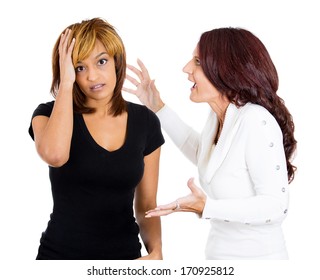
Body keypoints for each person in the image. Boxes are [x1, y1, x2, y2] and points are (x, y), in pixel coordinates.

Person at [124, 27, 297, 260]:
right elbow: (204, 153)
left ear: (226, 71)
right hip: (219, 259)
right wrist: (158, 106)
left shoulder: (256, 120)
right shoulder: (220, 116)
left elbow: (276, 206)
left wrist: (206, 207)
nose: (186, 69)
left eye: (197, 62)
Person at [28, 18, 164, 260]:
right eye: (79, 67)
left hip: (125, 259)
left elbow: (146, 204)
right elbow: (55, 156)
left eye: (101, 61)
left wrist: (156, 252)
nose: (92, 76)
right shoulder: (47, 114)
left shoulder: (146, 122)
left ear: (116, 62)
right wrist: (66, 83)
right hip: (59, 258)